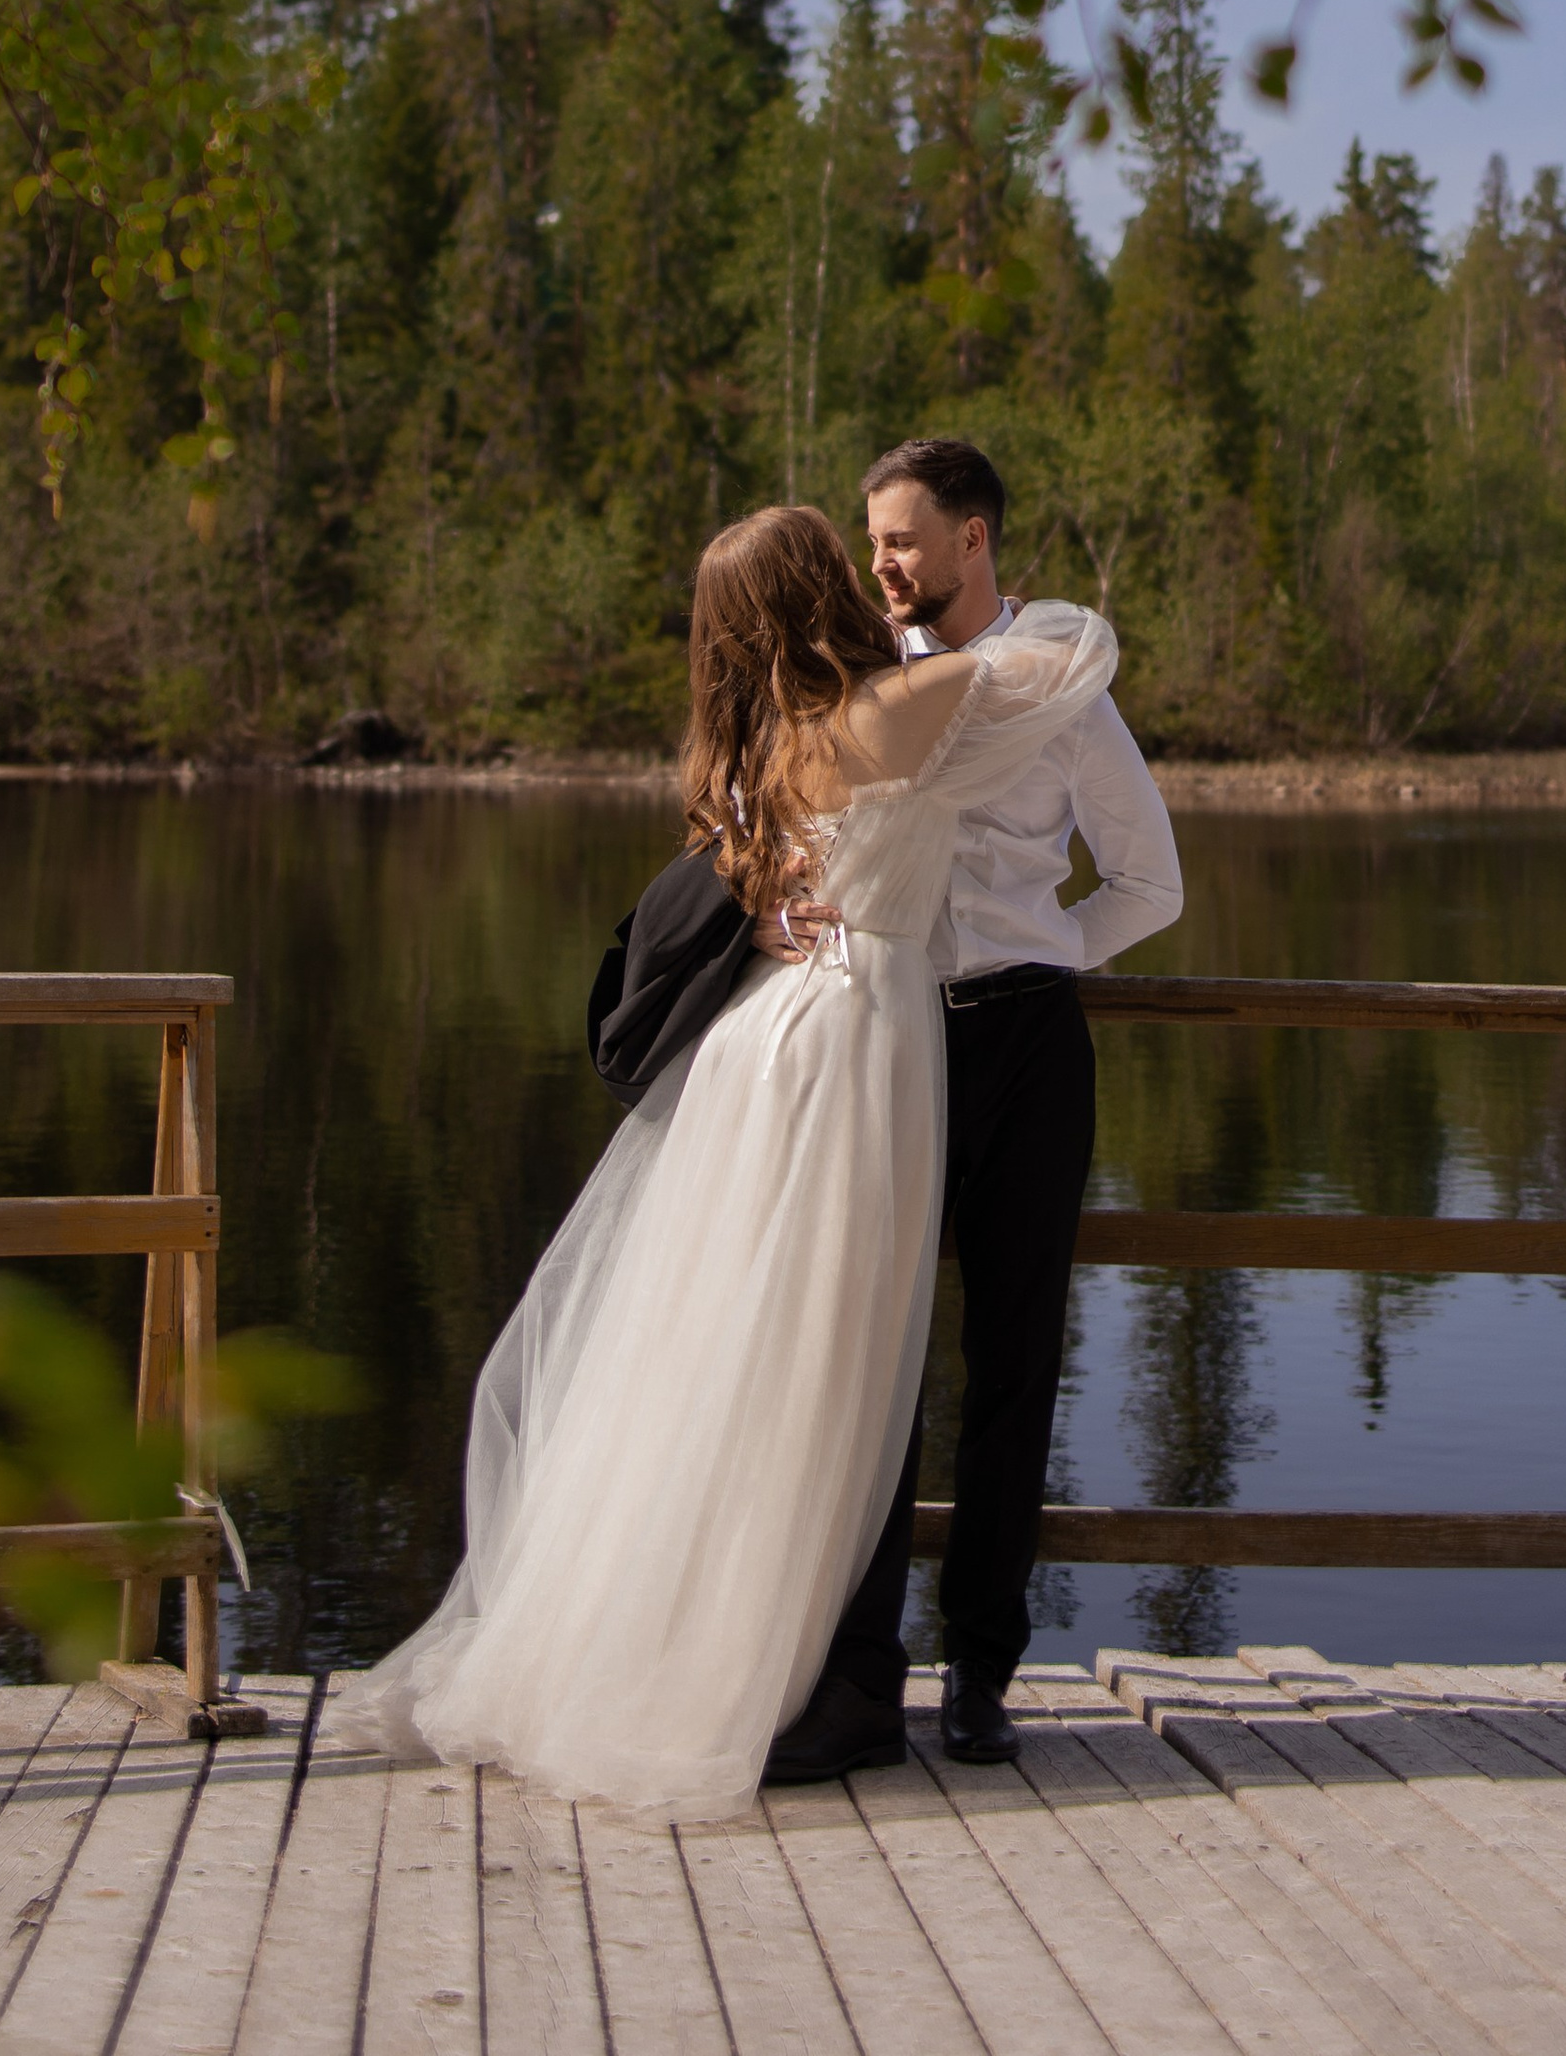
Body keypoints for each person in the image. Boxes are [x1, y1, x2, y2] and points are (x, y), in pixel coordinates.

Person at [338, 501, 1123, 1821]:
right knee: (833, 1362)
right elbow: (1077, 651)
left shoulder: (757, 737)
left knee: (747, 1350)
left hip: (766, 1044)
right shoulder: (895, 710)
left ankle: (735, 1651)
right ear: (825, 590)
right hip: (852, 1044)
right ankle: (790, 1675)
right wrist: (925, 616)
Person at [588, 436, 1183, 1780]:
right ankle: (851, 1670)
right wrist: (783, 920)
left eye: (905, 540)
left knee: (1016, 1364)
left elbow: (1150, 888)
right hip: (874, 1041)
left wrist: (1042, 957)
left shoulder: (1052, 696)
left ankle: (981, 1669)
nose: (886, 565)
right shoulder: (874, 692)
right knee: (864, 1370)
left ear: (973, 539)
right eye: (868, 546)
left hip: (1018, 1039)